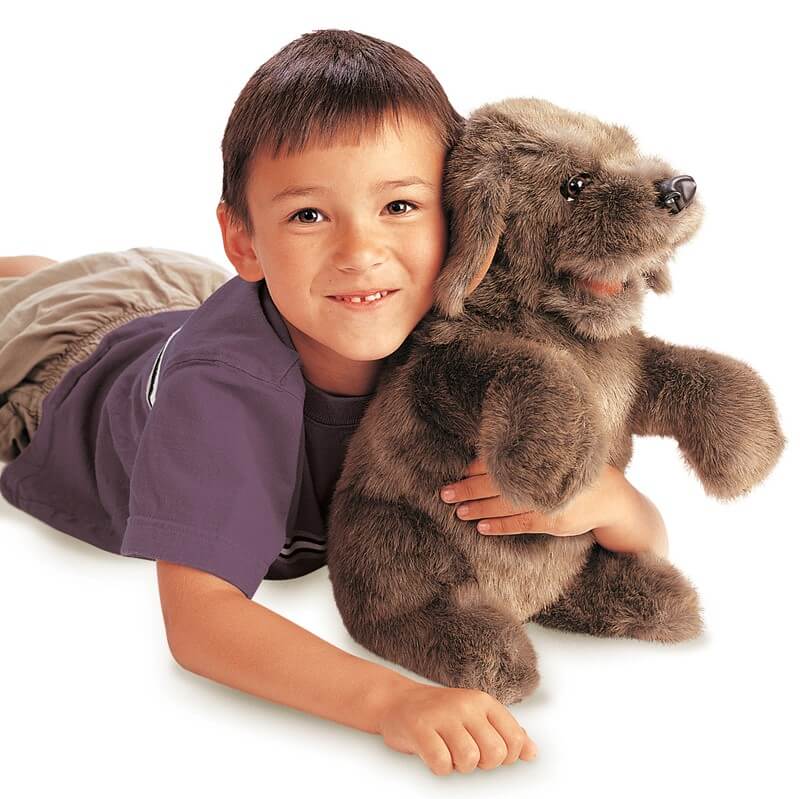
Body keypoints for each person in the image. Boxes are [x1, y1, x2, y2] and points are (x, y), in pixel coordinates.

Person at [0, 29, 668, 776]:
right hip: (66, 364)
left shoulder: (460, 330)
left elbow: (641, 532)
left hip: (197, 294)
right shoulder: (221, 392)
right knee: (40, 297)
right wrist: (393, 701)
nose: (361, 252)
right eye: (309, 216)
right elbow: (201, 621)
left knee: (108, 282)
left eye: (400, 205)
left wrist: (612, 502)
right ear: (244, 239)